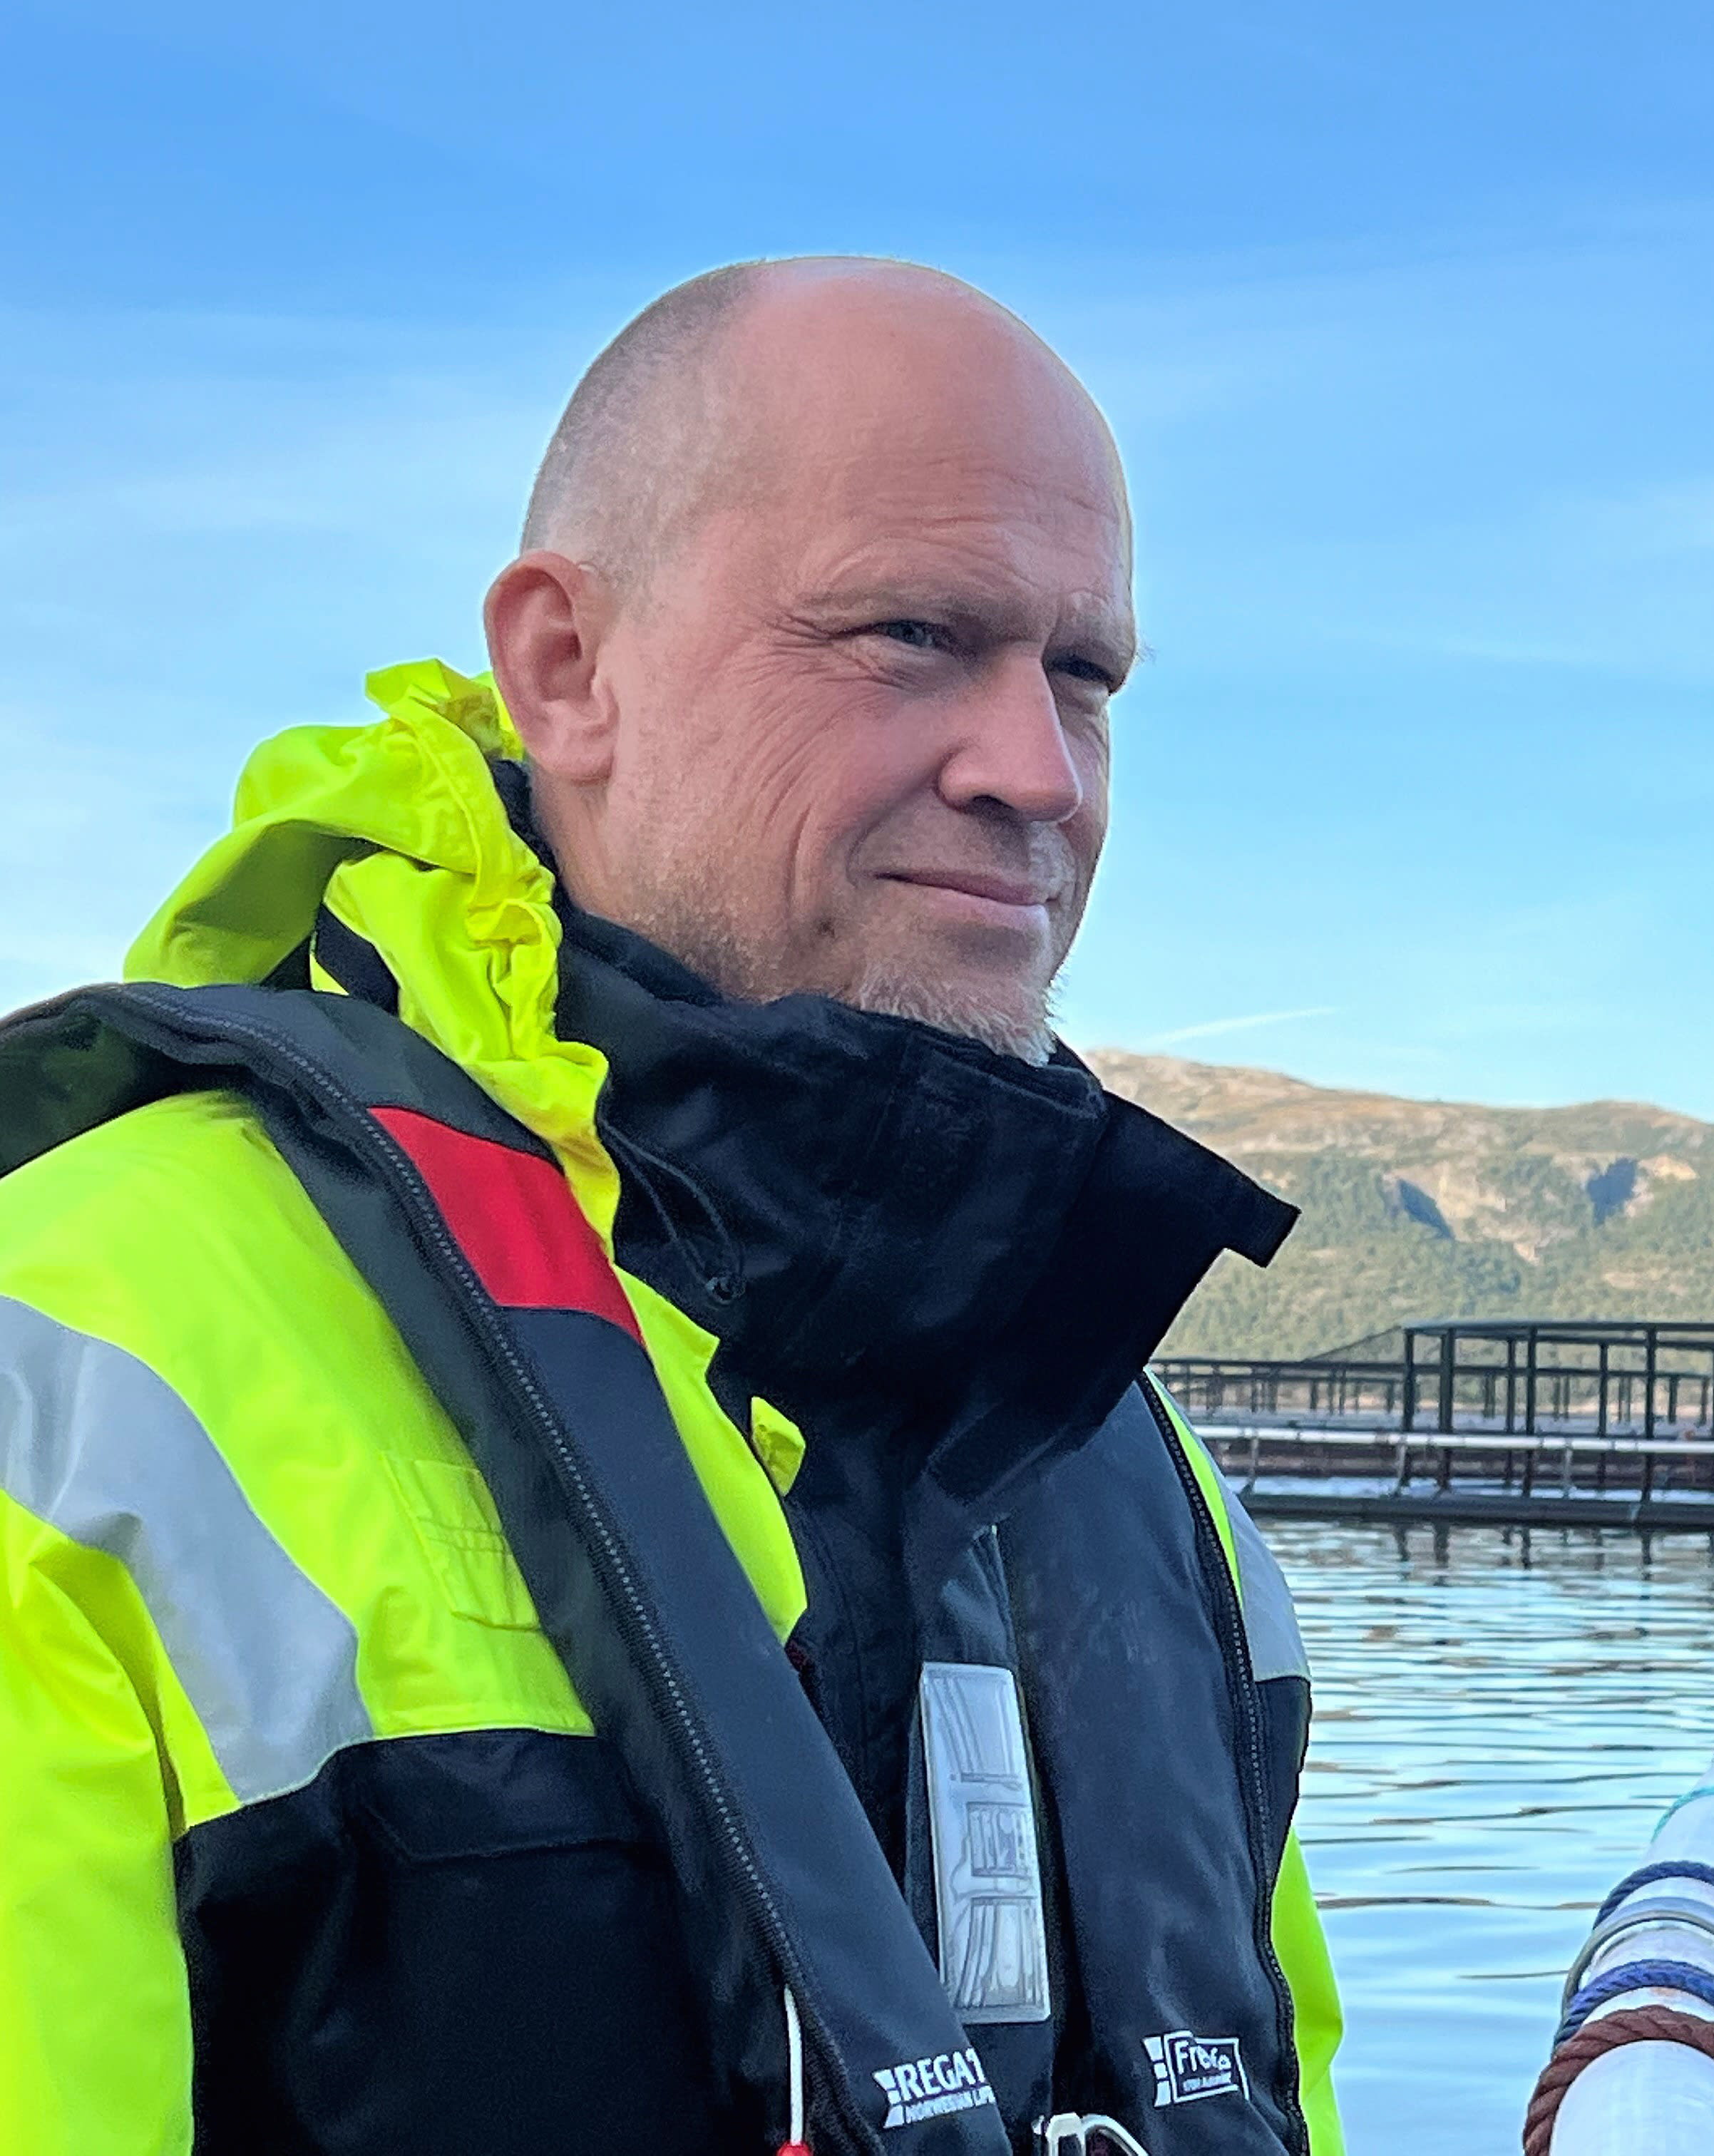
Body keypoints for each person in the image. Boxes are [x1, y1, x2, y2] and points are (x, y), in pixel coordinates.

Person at [0, 257, 1343, 2156]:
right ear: (567, 669)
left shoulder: (1144, 1485)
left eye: (1085, 677)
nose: (1035, 773)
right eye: (909, 635)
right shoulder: (72, 1377)